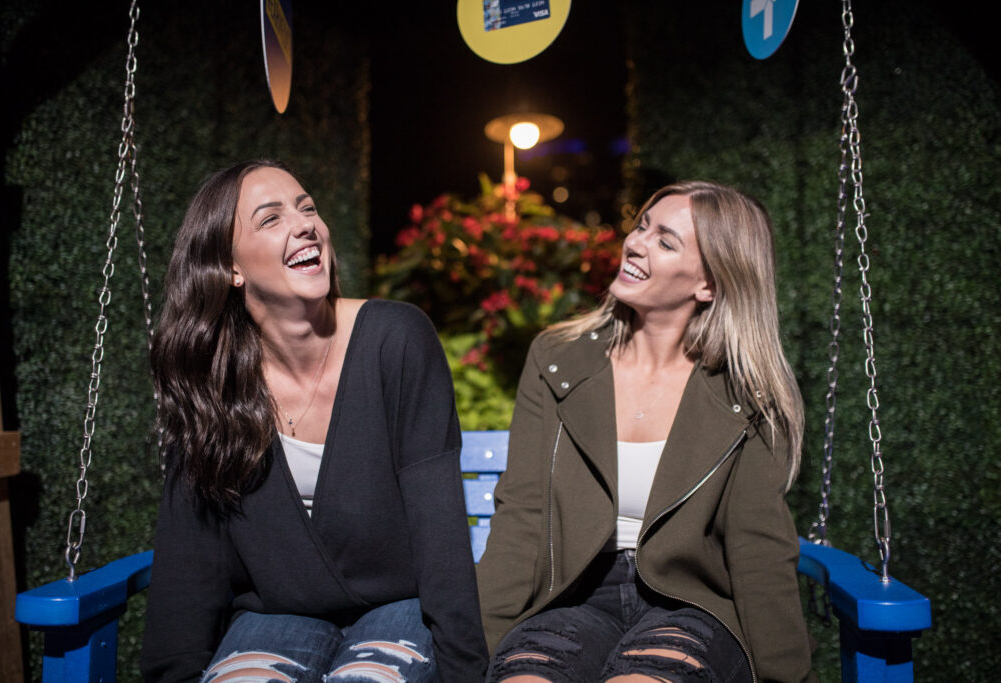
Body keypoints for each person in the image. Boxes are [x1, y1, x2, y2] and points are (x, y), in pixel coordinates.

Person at [141, 160, 487, 682]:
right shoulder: (210, 383)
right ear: (230, 268)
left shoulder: (396, 339)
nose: (305, 224)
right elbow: (187, 567)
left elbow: (441, 536)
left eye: (307, 208)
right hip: (272, 617)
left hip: (400, 609)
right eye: (270, 218)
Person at [477, 181, 813, 682]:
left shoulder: (748, 393)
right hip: (573, 596)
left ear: (710, 285)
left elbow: (758, 549)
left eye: (666, 241)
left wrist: (788, 677)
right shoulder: (558, 362)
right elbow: (522, 515)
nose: (635, 243)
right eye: (642, 226)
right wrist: (472, 652)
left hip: (692, 606)